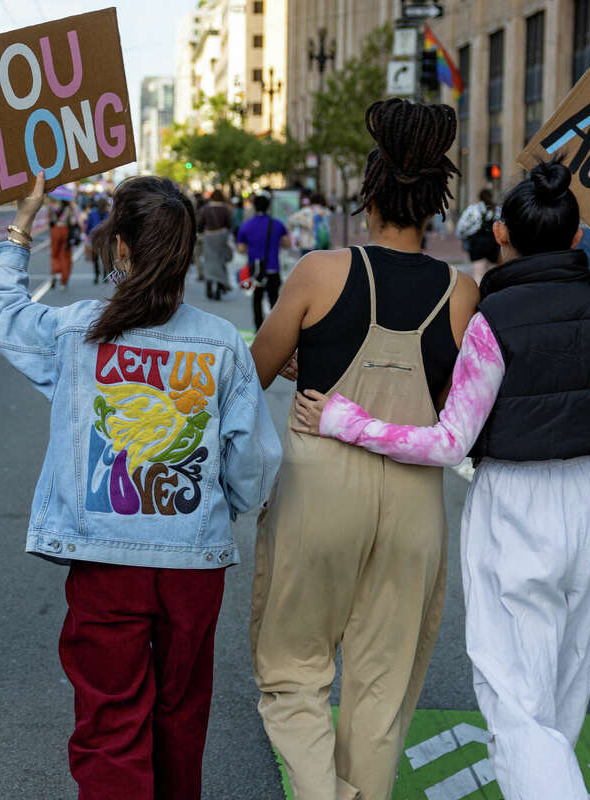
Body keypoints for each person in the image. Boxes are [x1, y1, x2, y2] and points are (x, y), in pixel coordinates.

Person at [292, 162, 590, 800]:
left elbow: (448, 442)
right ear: (577, 240)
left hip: (516, 503)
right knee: (565, 687)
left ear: (501, 233)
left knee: (515, 701)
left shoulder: (494, 321)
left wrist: (345, 418)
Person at [0, 173, 281, 800]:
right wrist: (223, 503)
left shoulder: (77, 332)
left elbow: (2, 314)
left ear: (119, 248)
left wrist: (21, 225)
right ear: (189, 249)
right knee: (180, 714)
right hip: (193, 567)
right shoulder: (222, 342)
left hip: (104, 559)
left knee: (109, 721)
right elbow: (252, 464)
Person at [246, 98, 477, 800]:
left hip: (321, 489)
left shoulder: (320, 272)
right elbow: (461, 404)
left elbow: (250, 374)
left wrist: (298, 358)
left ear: (368, 196)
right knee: (382, 685)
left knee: (292, 669)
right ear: (435, 204)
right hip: (413, 502)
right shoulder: (461, 292)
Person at [236, 194, 291, 330]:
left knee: (256, 299)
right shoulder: (277, 224)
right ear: (268, 207)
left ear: (254, 207)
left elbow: (241, 249)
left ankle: (258, 329)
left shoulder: (246, 225)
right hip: (273, 267)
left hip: (255, 269)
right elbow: (287, 244)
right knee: (274, 299)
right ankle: (274, 328)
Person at [198, 188, 234, 300]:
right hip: (221, 238)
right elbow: (229, 224)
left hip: (208, 237)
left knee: (209, 262)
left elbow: (200, 224)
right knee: (220, 261)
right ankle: (219, 288)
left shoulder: (205, 209)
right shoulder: (225, 209)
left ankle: (208, 287)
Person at [457, 188, 500, 283]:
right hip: (494, 244)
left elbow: (461, 228)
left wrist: (464, 237)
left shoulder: (472, 209)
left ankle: (481, 295)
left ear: (479, 197)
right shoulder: (497, 210)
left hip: (477, 245)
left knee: (478, 274)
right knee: (494, 273)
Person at [49, 198, 77, 290]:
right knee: (65, 256)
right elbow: (73, 222)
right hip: (66, 231)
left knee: (54, 254)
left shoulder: (54, 208)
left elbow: (51, 222)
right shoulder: (69, 209)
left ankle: (56, 272)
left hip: (56, 230)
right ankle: (63, 281)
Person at [85, 195, 110, 283]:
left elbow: (87, 226)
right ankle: (105, 276)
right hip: (105, 239)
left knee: (95, 258)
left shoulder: (92, 213)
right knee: (105, 257)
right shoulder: (109, 214)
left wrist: (87, 234)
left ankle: (96, 276)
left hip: (95, 238)